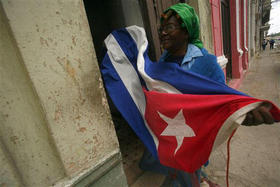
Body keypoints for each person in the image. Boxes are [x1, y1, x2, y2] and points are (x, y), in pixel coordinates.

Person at [139, 3, 275, 187]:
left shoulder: (207, 63)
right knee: (160, 165)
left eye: (169, 27)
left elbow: (223, 101)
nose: (162, 32)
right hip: (169, 134)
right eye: (161, 28)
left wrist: (245, 110)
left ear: (186, 31)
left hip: (192, 137)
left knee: (184, 177)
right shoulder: (159, 64)